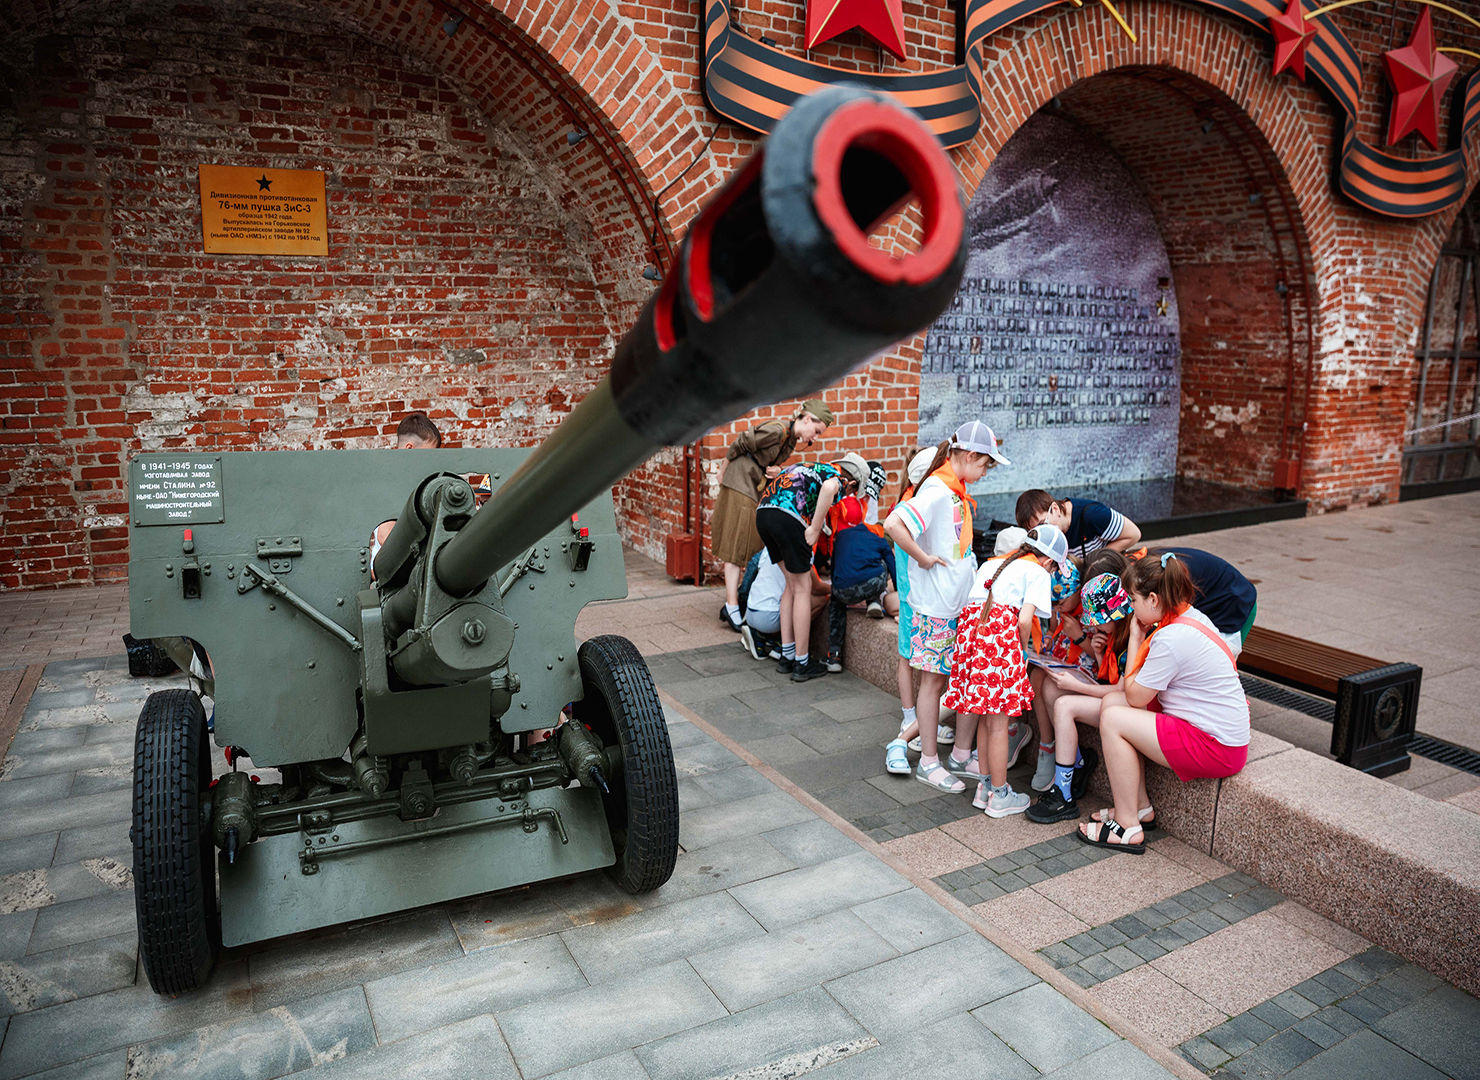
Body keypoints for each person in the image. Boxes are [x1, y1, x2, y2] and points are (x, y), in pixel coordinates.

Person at [1078, 553, 1251, 854]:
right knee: (1112, 703)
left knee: (1114, 718)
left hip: (1217, 746)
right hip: (1212, 731)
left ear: (1153, 600)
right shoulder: (1187, 617)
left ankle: (1126, 826)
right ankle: (1139, 807)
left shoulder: (1171, 638)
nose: (1130, 608)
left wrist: (1135, 637)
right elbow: (1131, 695)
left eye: (1133, 600)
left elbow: (1135, 695)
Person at [884, 422, 1009, 793]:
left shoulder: (954, 491)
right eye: (984, 465)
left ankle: (959, 754)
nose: (984, 473)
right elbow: (893, 523)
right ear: (968, 456)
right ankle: (928, 761)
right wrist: (922, 557)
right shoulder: (938, 490)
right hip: (937, 606)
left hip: (956, 603)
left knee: (960, 677)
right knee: (933, 681)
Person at [943, 524, 1068, 816]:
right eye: (1054, 568)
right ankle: (1000, 795)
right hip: (998, 646)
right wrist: (1020, 653)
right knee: (999, 724)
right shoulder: (1037, 572)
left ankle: (984, 787)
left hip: (972, 644)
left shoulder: (991, 565)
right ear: (1049, 561)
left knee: (986, 719)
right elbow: (1024, 620)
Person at [713, 401, 833, 632]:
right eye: (817, 431)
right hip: (740, 480)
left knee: (750, 544)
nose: (815, 438)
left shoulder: (790, 440)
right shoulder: (778, 430)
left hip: (753, 485)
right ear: (807, 419)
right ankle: (731, 605)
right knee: (736, 543)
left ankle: (739, 600)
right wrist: (723, 470)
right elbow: (741, 441)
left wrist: (778, 472)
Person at [1026, 572, 1133, 823]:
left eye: (1098, 621)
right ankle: (1076, 763)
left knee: (1064, 705)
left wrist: (1076, 685)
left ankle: (1063, 794)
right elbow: (1109, 678)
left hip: (1126, 707)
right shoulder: (1114, 634)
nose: (1095, 627)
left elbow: (1122, 690)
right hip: (1114, 700)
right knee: (1051, 690)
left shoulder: (1132, 639)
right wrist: (1099, 654)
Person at [755, 452, 867, 682]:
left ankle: (787, 656)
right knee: (803, 588)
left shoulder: (813, 466)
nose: (849, 495)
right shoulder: (838, 477)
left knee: (791, 585)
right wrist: (815, 528)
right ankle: (802, 662)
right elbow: (828, 489)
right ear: (853, 483)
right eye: (853, 492)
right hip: (789, 517)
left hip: (764, 513)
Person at [826, 496, 898, 671]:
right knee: (880, 563)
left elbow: (834, 569)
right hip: (872, 584)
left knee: (837, 601)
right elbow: (893, 567)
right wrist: (898, 592)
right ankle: (874, 601)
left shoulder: (840, 538)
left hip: (843, 590)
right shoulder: (878, 539)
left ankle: (834, 655)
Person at [371, 412, 444, 571]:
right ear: (409, 449)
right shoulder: (388, 483)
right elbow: (385, 536)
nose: (432, 462)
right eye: (429, 455)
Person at [1016, 489, 1141, 563]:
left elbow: (1133, 534)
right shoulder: (1045, 534)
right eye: (1036, 531)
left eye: (1043, 524)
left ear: (1055, 508)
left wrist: (1095, 558)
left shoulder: (1092, 515)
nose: (1043, 533)